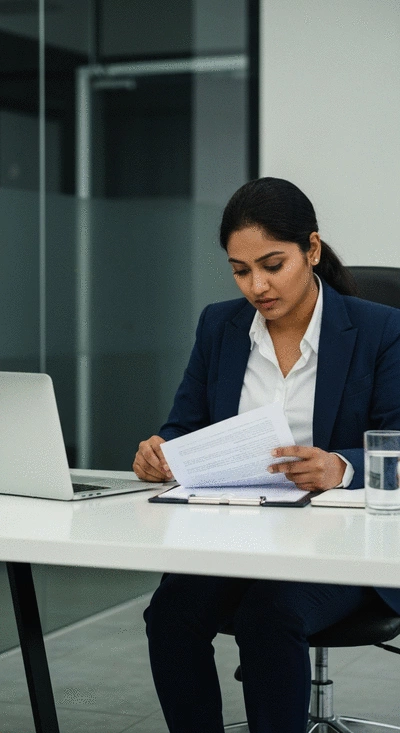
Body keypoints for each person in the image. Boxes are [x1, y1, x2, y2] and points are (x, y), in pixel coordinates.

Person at [133, 177, 400, 733]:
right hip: (235, 535)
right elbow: (182, 427)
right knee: (171, 615)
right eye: (240, 270)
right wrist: (159, 453)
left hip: (340, 546)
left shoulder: (380, 330)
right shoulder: (220, 326)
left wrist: (340, 466)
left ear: (312, 250)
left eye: (273, 265)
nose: (257, 285)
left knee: (268, 615)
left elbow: (397, 444)